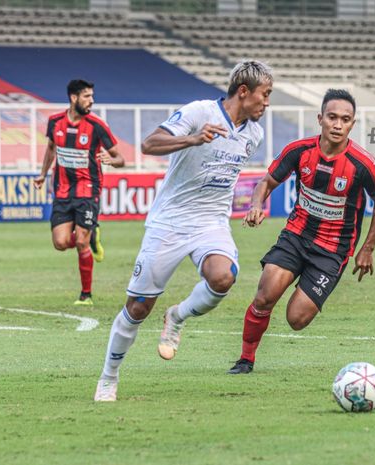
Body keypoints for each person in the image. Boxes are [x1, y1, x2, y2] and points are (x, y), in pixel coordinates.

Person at [94, 60, 273, 401]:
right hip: (170, 222)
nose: (267, 103)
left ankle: (177, 316)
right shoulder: (199, 112)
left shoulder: (255, 133)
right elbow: (149, 144)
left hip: (210, 222)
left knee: (223, 277)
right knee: (137, 308)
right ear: (244, 91)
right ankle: (109, 376)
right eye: (265, 95)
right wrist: (192, 139)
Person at [227, 89, 375, 375]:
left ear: (353, 124)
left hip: (332, 250)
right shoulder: (299, 151)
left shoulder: (362, 164)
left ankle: (303, 296)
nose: (338, 124)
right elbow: (266, 182)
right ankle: (245, 360)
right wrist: (256, 205)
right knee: (264, 296)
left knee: (296, 318)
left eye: (346, 119)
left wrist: (367, 248)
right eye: (333, 117)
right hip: (296, 236)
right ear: (321, 119)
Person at [34, 79, 125, 306]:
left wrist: (111, 161)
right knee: (61, 242)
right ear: (74, 98)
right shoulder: (55, 122)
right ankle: (92, 234)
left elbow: (120, 158)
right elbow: (51, 149)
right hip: (63, 190)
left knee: (81, 242)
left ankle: (86, 295)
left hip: (88, 191)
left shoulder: (96, 126)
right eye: (87, 96)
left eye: (92, 96)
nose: (91, 101)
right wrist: (43, 174)